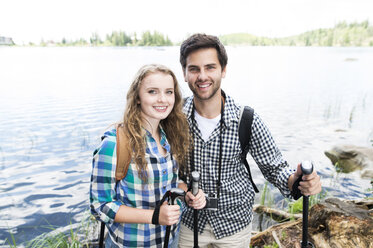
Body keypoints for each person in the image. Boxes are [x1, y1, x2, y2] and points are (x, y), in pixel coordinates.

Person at [177, 34, 322, 248]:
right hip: (187, 224)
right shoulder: (174, 118)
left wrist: (299, 181)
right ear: (184, 73)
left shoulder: (246, 119)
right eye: (194, 69)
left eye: (210, 67)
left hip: (233, 227)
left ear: (223, 70)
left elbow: (275, 168)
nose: (202, 76)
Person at [90, 64, 191, 247]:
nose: (162, 99)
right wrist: (154, 216)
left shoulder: (169, 136)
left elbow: (172, 185)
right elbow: (101, 206)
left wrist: (187, 194)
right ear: (137, 97)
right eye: (152, 91)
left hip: (169, 239)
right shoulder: (114, 144)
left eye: (169, 92)